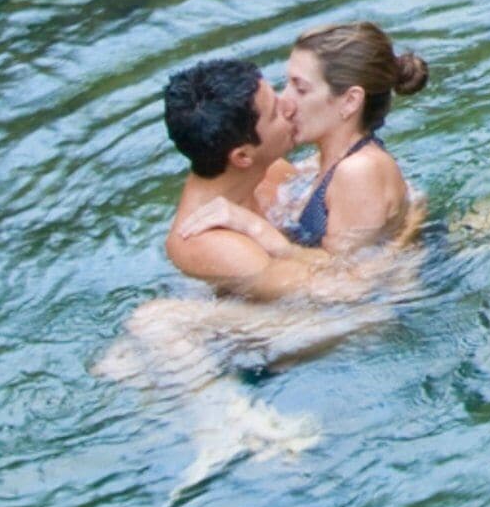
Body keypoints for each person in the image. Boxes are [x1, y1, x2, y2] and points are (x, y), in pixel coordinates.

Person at [154, 57, 329, 299]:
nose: (289, 106)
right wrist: (258, 229)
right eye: (275, 113)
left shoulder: (270, 171)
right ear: (243, 156)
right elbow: (342, 290)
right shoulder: (214, 245)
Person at [266, 20, 424, 255]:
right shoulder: (317, 165)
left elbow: (350, 276)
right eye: (287, 84)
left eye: (300, 89)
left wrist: (255, 230)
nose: (283, 102)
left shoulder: (359, 171)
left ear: (350, 101)